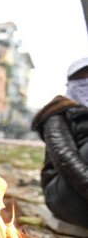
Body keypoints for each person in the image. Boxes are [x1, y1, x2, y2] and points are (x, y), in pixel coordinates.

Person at [31, 57, 88, 228]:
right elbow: (66, 159)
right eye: (81, 79)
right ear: (70, 84)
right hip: (64, 193)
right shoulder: (57, 113)